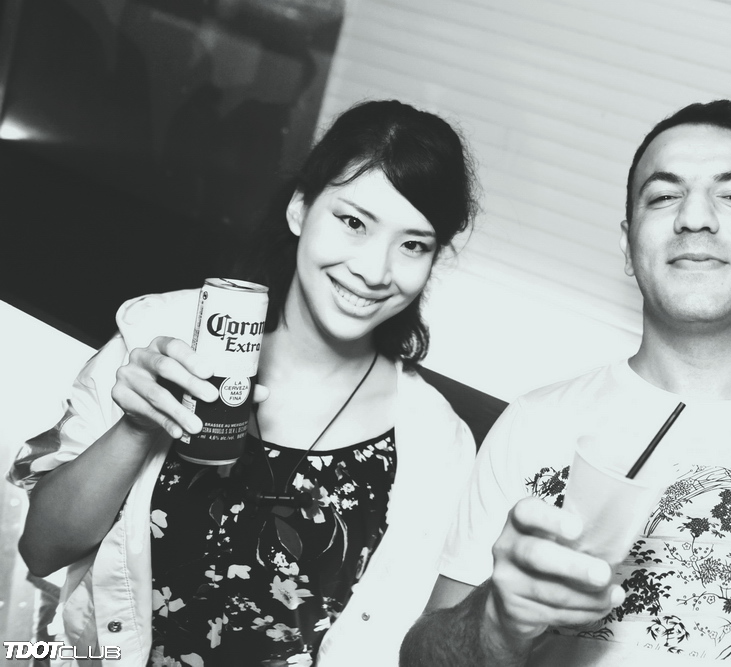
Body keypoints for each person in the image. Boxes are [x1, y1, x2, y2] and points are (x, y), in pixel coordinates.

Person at [400, 100, 731, 666]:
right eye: (663, 196)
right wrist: (496, 623)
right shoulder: (533, 426)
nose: (695, 217)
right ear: (627, 246)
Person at [10, 99, 480, 666]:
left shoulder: (436, 442)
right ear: (300, 209)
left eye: (413, 244)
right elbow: (41, 549)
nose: (374, 270)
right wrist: (135, 429)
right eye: (353, 222)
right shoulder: (164, 339)